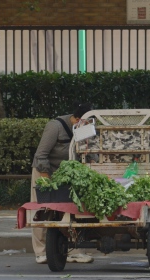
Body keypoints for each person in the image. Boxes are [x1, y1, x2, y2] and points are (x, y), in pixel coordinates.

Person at [31, 102, 92, 264]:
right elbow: (40, 156)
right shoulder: (55, 126)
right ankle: (41, 252)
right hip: (44, 171)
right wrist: (47, 181)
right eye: (86, 123)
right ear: (77, 119)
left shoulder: (84, 129)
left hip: (67, 173)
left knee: (74, 209)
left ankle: (76, 251)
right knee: (42, 210)